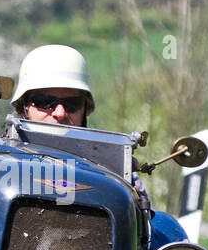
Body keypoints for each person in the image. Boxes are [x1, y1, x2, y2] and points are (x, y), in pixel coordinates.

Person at [12, 44, 152, 210]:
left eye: (72, 104)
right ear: (23, 107)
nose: (60, 113)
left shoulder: (117, 175)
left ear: (85, 109)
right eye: (45, 102)